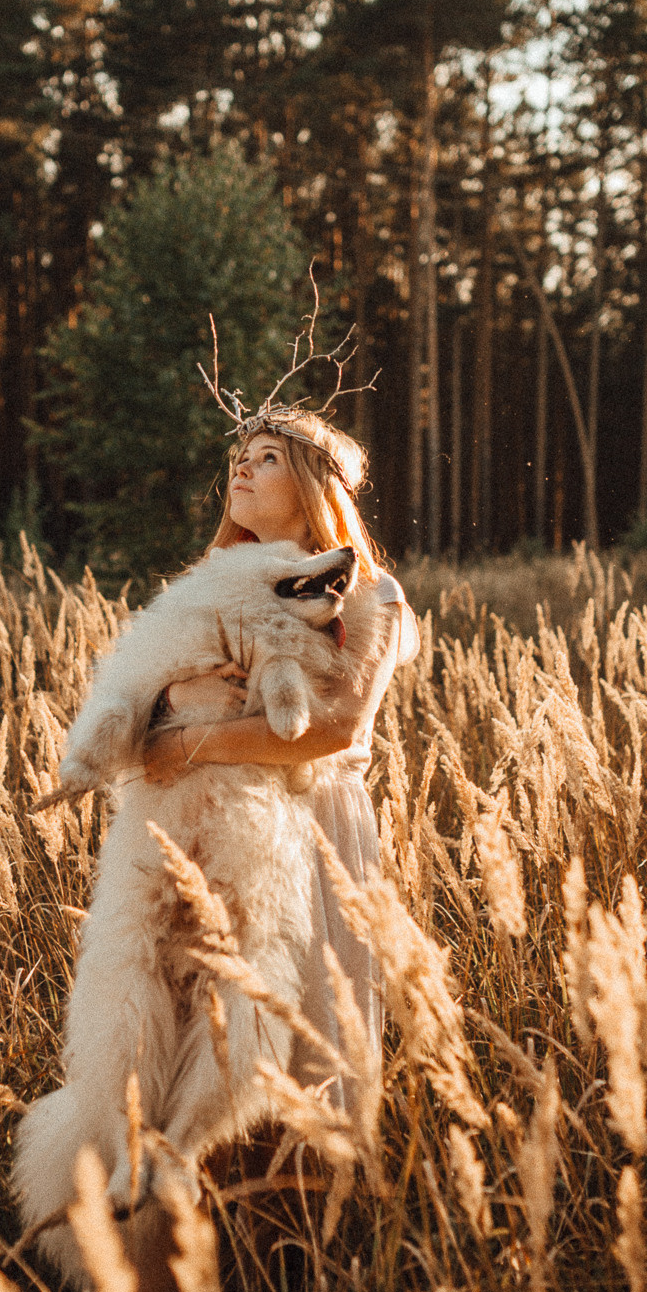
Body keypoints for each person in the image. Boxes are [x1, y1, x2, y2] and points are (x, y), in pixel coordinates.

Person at [143, 407, 420, 1104]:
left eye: (267, 457)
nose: (242, 465)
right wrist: (173, 701)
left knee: (306, 1046)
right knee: (203, 1047)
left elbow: (337, 729)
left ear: (313, 487)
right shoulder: (209, 587)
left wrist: (185, 742)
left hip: (312, 824)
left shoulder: (371, 594)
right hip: (211, 827)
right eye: (241, 454)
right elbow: (138, 698)